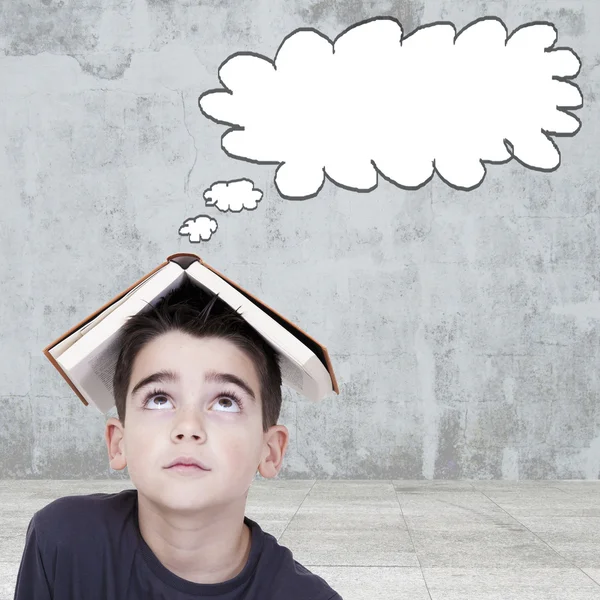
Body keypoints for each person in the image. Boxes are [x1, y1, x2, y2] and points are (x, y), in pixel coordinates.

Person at [13, 279, 343, 599]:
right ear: (118, 442)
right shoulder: (61, 542)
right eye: (159, 399)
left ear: (270, 451)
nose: (188, 426)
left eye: (225, 402)